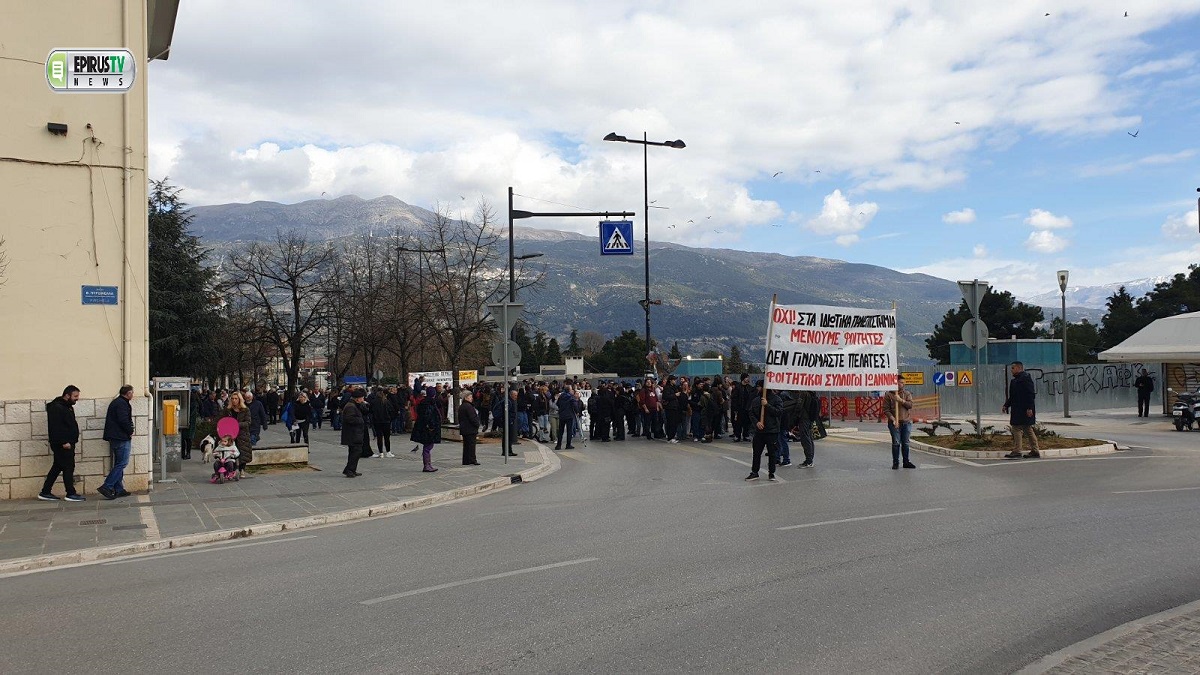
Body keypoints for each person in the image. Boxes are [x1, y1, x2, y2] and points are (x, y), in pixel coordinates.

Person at [40, 385, 85, 501]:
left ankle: (45, 491)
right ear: (67, 395)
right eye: (75, 396)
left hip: (67, 443)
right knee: (68, 467)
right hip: (63, 444)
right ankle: (70, 493)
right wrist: (64, 442)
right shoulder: (57, 407)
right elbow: (56, 427)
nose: (77, 398)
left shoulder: (67, 407)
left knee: (58, 466)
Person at [98, 384, 135, 500]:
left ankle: (119, 489)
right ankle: (107, 486)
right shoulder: (122, 404)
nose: (133, 395)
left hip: (116, 437)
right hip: (121, 437)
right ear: (128, 393)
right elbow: (123, 420)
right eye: (132, 393)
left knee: (118, 463)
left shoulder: (118, 402)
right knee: (122, 463)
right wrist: (130, 431)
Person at [1002, 361, 1039, 459]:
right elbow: (1012, 396)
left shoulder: (1025, 378)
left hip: (1025, 409)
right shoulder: (1014, 381)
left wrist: (1029, 408)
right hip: (1017, 409)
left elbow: (1030, 394)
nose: (1011, 370)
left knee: (1018, 428)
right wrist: (1006, 405)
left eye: (1013, 368)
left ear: (1019, 368)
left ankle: (1019, 451)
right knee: (1026, 429)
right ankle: (1034, 450)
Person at [748, 384, 783, 481]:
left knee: (772, 453)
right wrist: (757, 423)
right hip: (759, 432)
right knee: (756, 453)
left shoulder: (776, 399)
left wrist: (767, 405)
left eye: (760, 387)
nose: (758, 389)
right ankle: (754, 472)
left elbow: (779, 412)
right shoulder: (756, 400)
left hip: (772, 431)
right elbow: (751, 413)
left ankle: (771, 473)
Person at [883, 380, 916, 470]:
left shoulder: (907, 394)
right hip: (894, 423)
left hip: (906, 422)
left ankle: (906, 461)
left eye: (901, 382)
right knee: (896, 443)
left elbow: (910, 405)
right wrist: (893, 419)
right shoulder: (888, 395)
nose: (899, 384)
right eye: (897, 382)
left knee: (905, 443)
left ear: (904, 384)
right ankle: (895, 462)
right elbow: (886, 410)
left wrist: (900, 400)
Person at [224, 391, 254, 478]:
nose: (234, 400)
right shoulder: (228, 410)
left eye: (236, 398)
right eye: (232, 398)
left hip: (242, 434)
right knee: (231, 453)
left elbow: (248, 422)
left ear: (239, 399)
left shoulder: (245, 410)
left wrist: (237, 424)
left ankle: (242, 470)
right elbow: (223, 420)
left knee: (242, 452)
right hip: (231, 435)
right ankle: (232, 469)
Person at [412, 386, 442, 472]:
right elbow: (428, 416)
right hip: (428, 428)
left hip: (424, 427)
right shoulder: (430, 403)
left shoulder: (424, 402)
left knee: (428, 445)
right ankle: (427, 465)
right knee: (428, 446)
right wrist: (431, 426)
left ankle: (428, 464)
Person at [341, 389, 367, 478]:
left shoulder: (354, 405)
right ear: (357, 398)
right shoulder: (351, 406)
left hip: (355, 433)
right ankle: (349, 470)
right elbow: (349, 419)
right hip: (352, 434)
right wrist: (360, 420)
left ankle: (351, 469)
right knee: (355, 452)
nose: (363, 399)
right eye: (362, 398)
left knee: (355, 452)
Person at [369, 387, 396, 457]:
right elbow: (391, 411)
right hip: (386, 421)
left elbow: (370, 411)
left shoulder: (373, 402)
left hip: (377, 421)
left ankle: (381, 453)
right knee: (387, 437)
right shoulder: (386, 401)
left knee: (379, 437)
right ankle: (388, 452)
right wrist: (390, 418)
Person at [459, 389, 481, 465]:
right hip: (470, 428)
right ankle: (472, 459)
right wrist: (477, 424)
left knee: (466, 445)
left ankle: (466, 460)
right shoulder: (468, 407)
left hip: (465, 428)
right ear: (466, 398)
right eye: (470, 397)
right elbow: (473, 418)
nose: (471, 398)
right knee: (471, 445)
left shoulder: (462, 406)